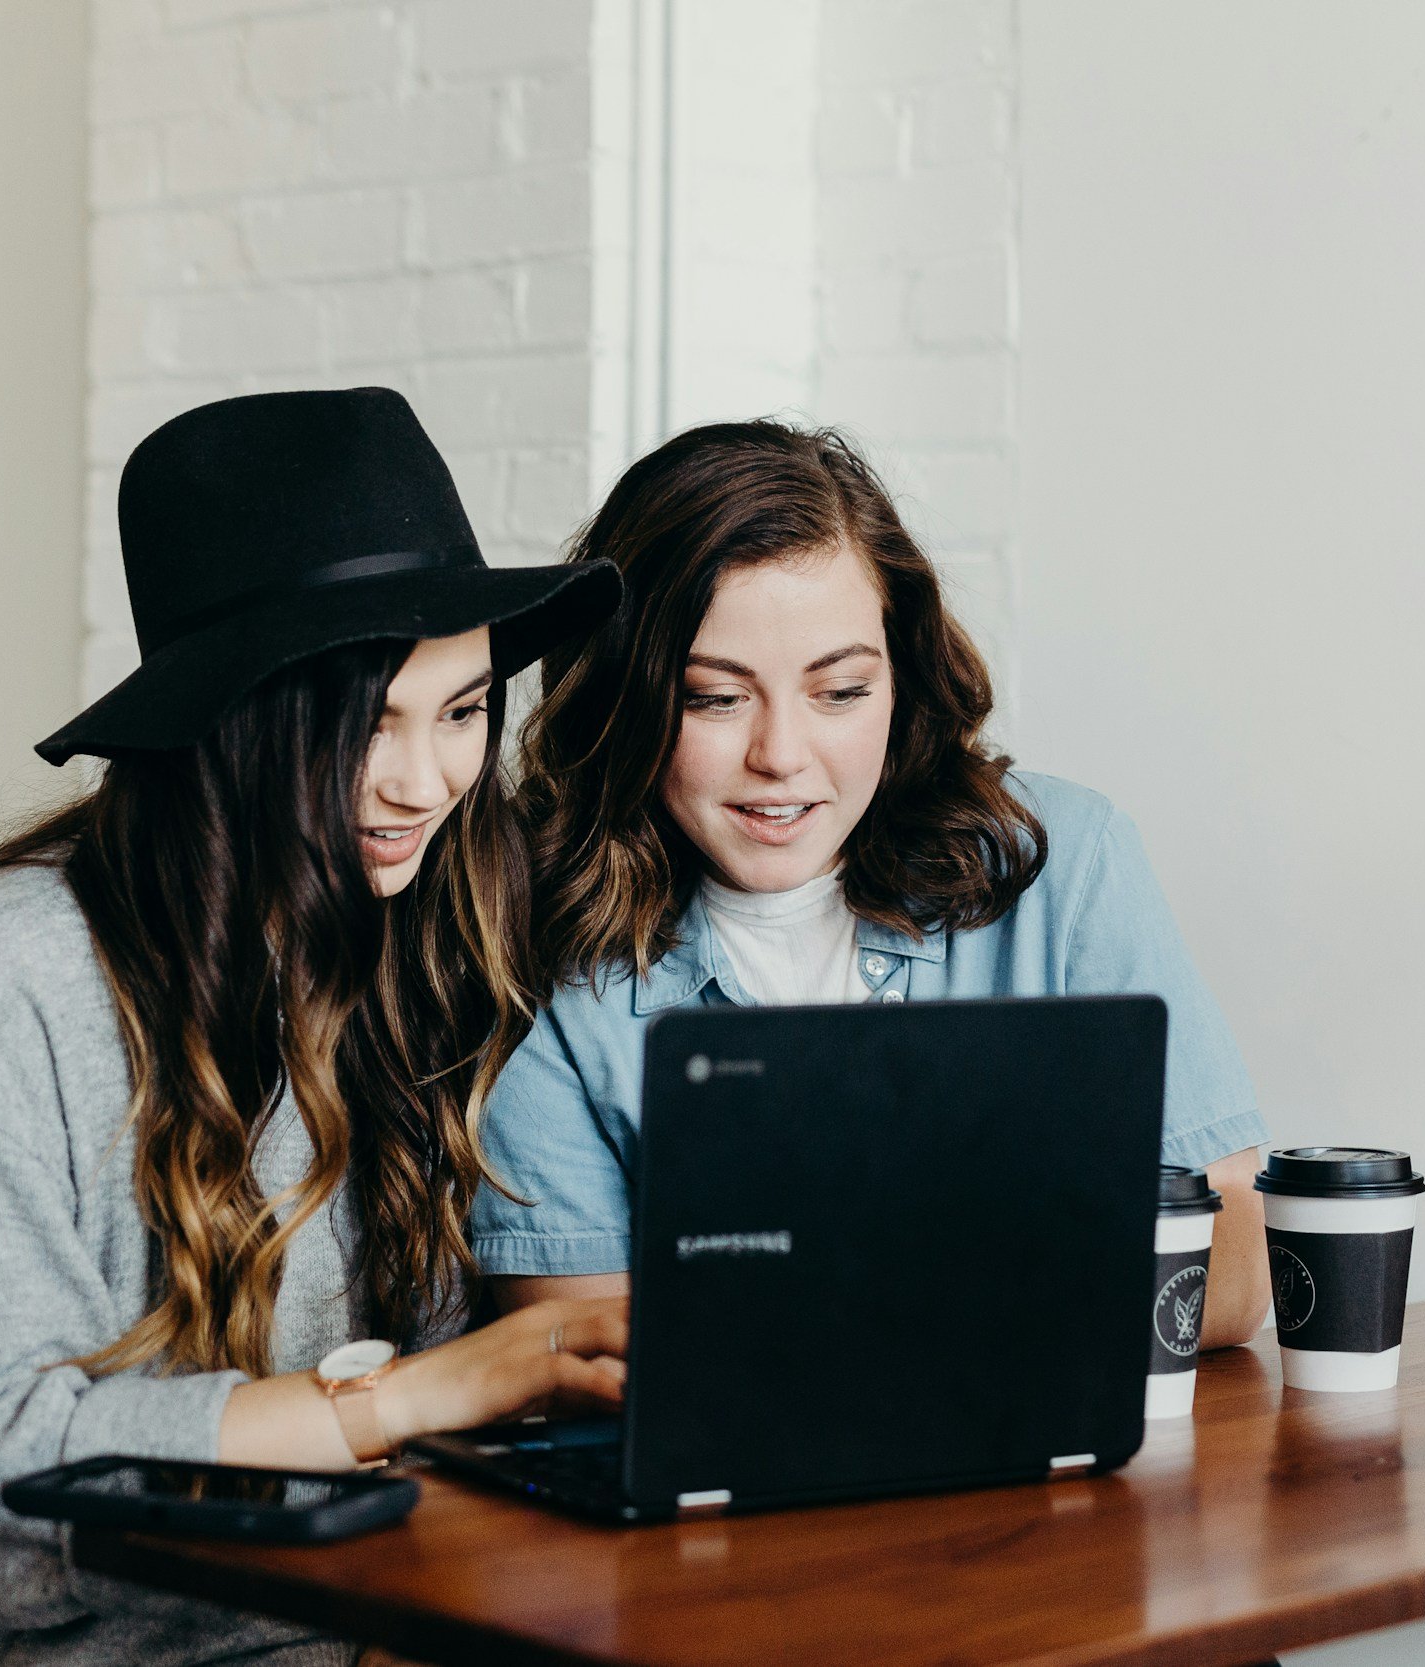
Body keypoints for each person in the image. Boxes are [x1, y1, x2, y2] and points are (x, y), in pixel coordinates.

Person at [0, 390, 627, 1667]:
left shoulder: (422, 942)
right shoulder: (10, 974)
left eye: (462, 710)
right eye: (364, 723)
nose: (424, 781)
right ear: (233, 717)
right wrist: (399, 1399)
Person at [475, 420, 1272, 1348]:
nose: (780, 756)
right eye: (715, 698)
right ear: (624, 697)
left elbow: (1233, 1271)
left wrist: (825, 1305)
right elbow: (578, 1351)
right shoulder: (536, 944)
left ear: (901, 678)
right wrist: (1008, 1269)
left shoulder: (1063, 862)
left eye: (841, 691)